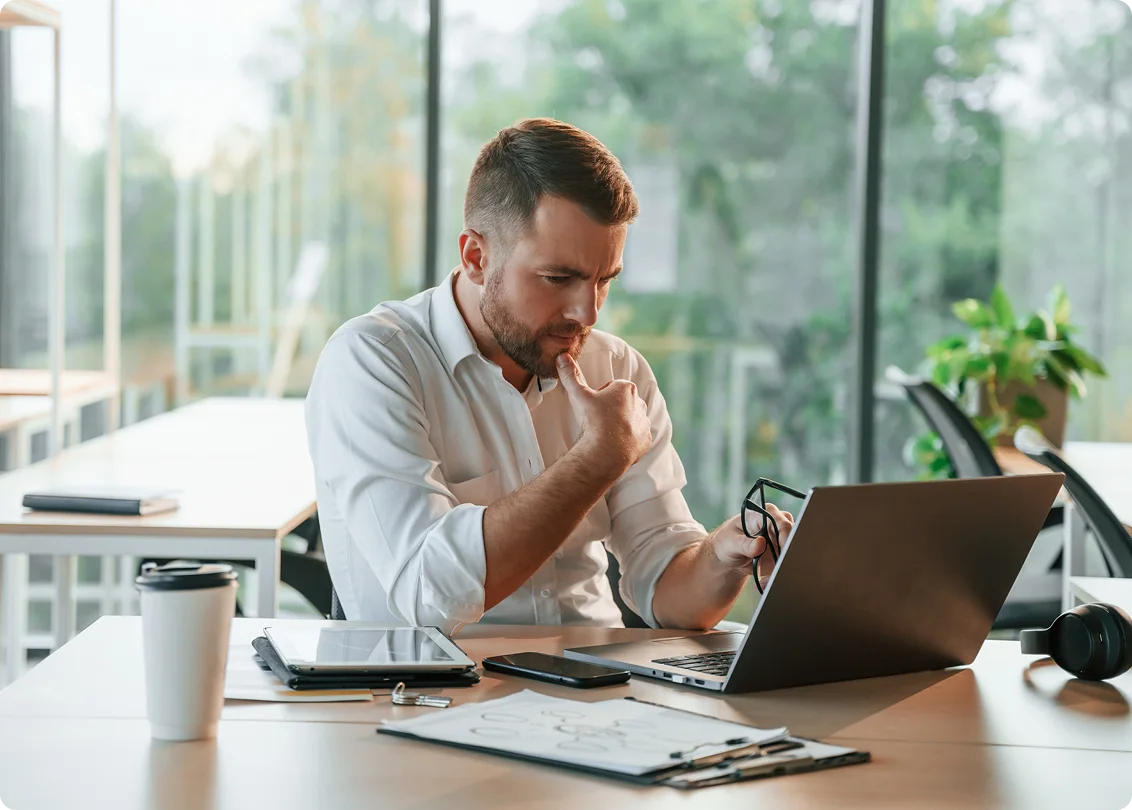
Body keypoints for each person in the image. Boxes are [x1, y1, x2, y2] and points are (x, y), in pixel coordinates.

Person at [305, 118, 794, 633]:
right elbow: (431, 594)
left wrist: (723, 553)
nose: (588, 313)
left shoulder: (617, 369)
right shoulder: (373, 361)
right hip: (432, 696)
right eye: (559, 278)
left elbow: (670, 596)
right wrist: (597, 458)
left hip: (598, 695)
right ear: (476, 256)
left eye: (605, 280)